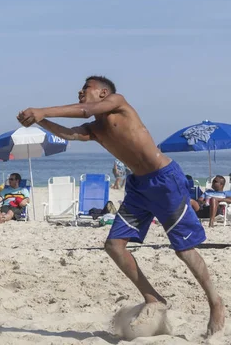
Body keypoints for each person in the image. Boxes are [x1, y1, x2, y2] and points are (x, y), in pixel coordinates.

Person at [17, 75, 224, 336]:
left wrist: (42, 110)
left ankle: (215, 303)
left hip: (165, 180)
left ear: (103, 93)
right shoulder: (96, 129)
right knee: (114, 246)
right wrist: (41, 120)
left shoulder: (118, 102)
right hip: (138, 187)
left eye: (86, 88)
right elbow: (69, 132)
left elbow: (84, 111)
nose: (80, 92)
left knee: (183, 249)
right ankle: (153, 298)